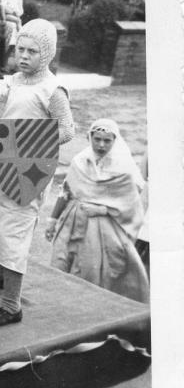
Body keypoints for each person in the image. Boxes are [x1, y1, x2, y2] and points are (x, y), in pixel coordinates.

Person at [0, 19, 75, 326]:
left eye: (32, 52)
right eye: (20, 49)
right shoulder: (15, 81)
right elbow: (8, 119)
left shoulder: (52, 89)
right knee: (0, 217)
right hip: (6, 163)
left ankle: (12, 305)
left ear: (47, 54)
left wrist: (29, 146)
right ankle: (0, 274)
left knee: (15, 229)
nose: (23, 56)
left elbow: (67, 129)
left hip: (30, 169)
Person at [45, 119, 149, 303]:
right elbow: (66, 191)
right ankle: (66, 302)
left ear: (114, 141)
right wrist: (52, 220)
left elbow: (131, 202)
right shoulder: (79, 161)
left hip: (103, 226)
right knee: (63, 261)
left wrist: (103, 208)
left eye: (107, 141)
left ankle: (94, 304)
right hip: (73, 219)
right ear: (89, 137)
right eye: (97, 139)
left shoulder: (122, 167)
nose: (101, 145)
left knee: (96, 268)